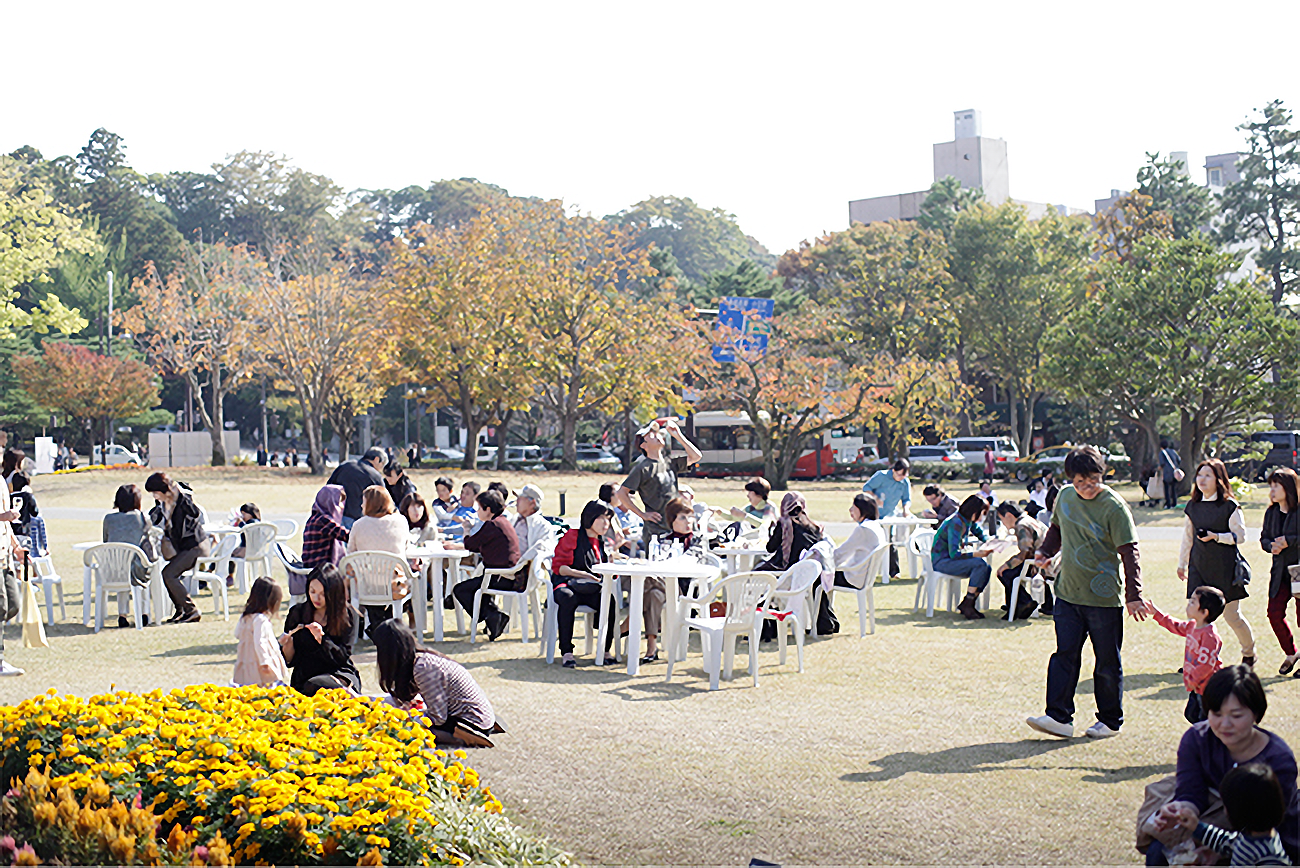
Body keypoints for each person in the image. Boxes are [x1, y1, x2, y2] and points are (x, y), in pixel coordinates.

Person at [1027, 445, 1146, 740]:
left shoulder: (1114, 507)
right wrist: (1044, 551)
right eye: (1079, 482)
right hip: (1068, 592)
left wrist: (1134, 595)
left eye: (1092, 480)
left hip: (1103, 597)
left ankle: (1109, 721)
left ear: (1101, 475)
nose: (1086, 487)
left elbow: (1130, 553)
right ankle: (1058, 717)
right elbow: (1056, 529)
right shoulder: (1065, 496)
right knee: (1064, 656)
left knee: (1106, 660)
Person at [1147, 666, 1300, 865]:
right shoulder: (1197, 739)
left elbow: (1272, 822)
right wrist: (1181, 811)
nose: (1224, 724)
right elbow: (1191, 792)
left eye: (1236, 716)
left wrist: (1222, 852)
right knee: (1159, 852)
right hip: (1221, 833)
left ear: (1256, 713)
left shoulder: (1277, 759)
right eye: (1216, 713)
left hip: (1270, 842)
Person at [373, 619, 501, 746]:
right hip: (478, 716)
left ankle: (464, 737)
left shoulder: (423, 667)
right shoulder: (422, 658)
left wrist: (404, 718)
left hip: (470, 722)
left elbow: (437, 717)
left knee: (401, 730)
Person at [1179, 458, 1254, 667]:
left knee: (1233, 616)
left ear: (1218, 479)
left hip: (1225, 567)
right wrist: (1181, 563)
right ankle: (1194, 659)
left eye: (1207, 475)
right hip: (1199, 566)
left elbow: (1241, 537)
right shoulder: (1193, 506)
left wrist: (1216, 536)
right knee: (1196, 617)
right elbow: (1187, 537)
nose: (1202, 480)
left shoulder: (1229, 506)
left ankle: (1249, 653)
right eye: (1199, 475)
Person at [1167, 763, 1292, 866]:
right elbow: (1226, 843)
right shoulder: (1250, 837)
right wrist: (1196, 826)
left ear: (1239, 812)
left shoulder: (1270, 859)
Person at [613, 417, 703, 547]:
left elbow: (696, 456)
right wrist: (642, 515)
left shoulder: (669, 462)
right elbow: (621, 493)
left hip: (677, 527)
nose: (657, 435)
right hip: (657, 530)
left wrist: (678, 435)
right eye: (651, 435)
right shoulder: (642, 468)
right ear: (643, 445)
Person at [551, 500, 620, 668]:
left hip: (592, 587)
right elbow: (559, 567)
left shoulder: (604, 543)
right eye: (602, 518)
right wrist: (582, 574)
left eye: (608, 519)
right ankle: (567, 651)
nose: (606, 523)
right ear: (590, 518)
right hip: (568, 582)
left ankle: (604, 650)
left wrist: (613, 562)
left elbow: (612, 576)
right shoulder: (573, 535)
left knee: (609, 601)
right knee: (566, 598)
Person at [1147, 586, 1226, 724]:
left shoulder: (1210, 636)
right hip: (1196, 686)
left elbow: (1206, 665)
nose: (1188, 604)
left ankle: (1212, 742)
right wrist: (1156, 614)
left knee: (1206, 720)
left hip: (1207, 688)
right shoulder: (1192, 626)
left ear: (1204, 612)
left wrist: (1192, 679)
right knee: (1191, 714)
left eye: (1193, 602)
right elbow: (1175, 625)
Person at [449, 490, 520, 641]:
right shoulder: (502, 522)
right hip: (508, 574)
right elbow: (476, 546)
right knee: (477, 591)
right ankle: (494, 617)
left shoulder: (492, 525)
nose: (477, 511)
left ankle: (493, 616)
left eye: (479, 508)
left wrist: (466, 529)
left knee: (460, 590)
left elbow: (470, 544)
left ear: (488, 509)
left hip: (500, 576)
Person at [279, 564, 360, 696]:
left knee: (320, 685)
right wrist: (287, 645)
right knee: (313, 685)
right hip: (306, 675)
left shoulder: (348, 615)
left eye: (323, 594)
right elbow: (291, 661)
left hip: (337, 672)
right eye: (312, 592)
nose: (316, 598)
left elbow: (342, 656)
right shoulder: (298, 613)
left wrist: (322, 638)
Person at [346, 486, 414, 636]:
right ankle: (384, 627)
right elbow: (406, 547)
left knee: (370, 585)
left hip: (367, 585)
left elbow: (351, 553)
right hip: (395, 585)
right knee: (414, 580)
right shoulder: (400, 522)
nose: (361, 505)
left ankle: (377, 626)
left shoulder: (358, 525)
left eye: (364, 502)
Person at [144, 472, 206, 624]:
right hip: (184, 549)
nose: (154, 496)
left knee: (169, 574)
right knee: (168, 573)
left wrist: (178, 493)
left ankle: (191, 610)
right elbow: (153, 519)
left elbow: (195, 512)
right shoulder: (164, 505)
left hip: (195, 547)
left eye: (155, 493)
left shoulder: (181, 501)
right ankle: (181, 611)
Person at [820, 494, 887, 633]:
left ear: (862, 510)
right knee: (825, 578)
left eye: (853, 507)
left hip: (855, 577)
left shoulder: (863, 529)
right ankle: (825, 621)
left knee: (817, 580)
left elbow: (841, 554)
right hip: (865, 576)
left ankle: (822, 624)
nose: (850, 510)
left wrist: (823, 561)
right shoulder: (876, 526)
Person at [931, 495, 997, 620]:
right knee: (979, 564)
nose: (982, 518)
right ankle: (968, 603)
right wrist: (978, 553)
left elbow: (979, 532)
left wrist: (991, 542)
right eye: (981, 514)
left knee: (986, 568)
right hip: (943, 561)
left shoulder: (966, 520)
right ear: (973, 512)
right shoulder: (956, 522)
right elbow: (954, 554)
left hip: (950, 560)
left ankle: (969, 603)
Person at [1262, 468, 1300, 678]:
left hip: (1299, 570)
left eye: (1276, 486)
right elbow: (1264, 539)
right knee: (1274, 614)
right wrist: (1271, 546)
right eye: (1271, 486)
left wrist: (1289, 541)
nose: (1272, 490)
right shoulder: (1271, 512)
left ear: (1289, 487)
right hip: (1280, 572)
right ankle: (1291, 653)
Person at [102, 484, 156, 628]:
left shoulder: (108, 519)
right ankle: (144, 613)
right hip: (138, 568)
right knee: (143, 574)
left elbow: (106, 541)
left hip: (115, 570)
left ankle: (122, 614)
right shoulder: (143, 517)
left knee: (123, 571)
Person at [994, 501, 1048, 620]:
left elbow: (1026, 552)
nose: (1002, 523)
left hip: (1037, 565)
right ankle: (1015, 605)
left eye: (1001, 519)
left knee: (1005, 574)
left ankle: (1024, 603)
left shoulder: (1022, 525)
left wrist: (1007, 565)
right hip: (1045, 561)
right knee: (1011, 573)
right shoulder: (1030, 520)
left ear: (1009, 515)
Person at [232, 578, 290, 687]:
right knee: (267, 685)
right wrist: (265, 662)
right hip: (259, 661)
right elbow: (260, 641)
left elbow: (237, 634)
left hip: (246, 658)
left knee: (248, 686)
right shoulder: (260, 619)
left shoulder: (245, 617)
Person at [862, 459, 911, 580]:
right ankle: (865, 570)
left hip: (890, 516)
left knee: (890, 541)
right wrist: (875, 498)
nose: (901, 478)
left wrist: (906, 509)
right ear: (893, 470)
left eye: (904, 475)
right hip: (874, 515)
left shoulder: (905, 482)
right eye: (899, 475)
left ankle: (894, 571)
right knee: (871, 542)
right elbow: (866, 488)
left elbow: (906, 499)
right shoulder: (881, 476)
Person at [326, 447, 386, 528]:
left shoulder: (344, 466)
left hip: (336, 515)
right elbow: (383, 501)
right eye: (382, 464)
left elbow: (328, 488)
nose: (381, 469)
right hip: (358, 519)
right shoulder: (375, 476)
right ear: (377, 459)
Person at [0, 488, 24, 676]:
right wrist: (3, 515)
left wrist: (16, 547)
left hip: (5, 555)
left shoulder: (0, 480)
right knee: (1, 607)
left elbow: (6, 524)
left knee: (13, 605)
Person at [302, 484, 350, 574]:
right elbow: (346, 536)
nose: (342, 507)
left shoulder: (315, 517)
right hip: (318, 569)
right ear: (329, 502)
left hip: (314, 566)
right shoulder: (323, 521)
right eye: (338, 502)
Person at [512, 484, 552, 583]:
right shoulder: (513, 519)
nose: (516, 501)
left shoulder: (543, 526)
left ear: (532, 503)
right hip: (503, 568)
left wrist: (520, 563)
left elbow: (544, 551)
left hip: (524, 573)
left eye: (520, 498)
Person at [225, 502, 261, 589]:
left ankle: (228, 575)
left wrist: (240, 523)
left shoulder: (251, 522)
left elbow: (246, 530)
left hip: (247, 550)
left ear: (251, 514)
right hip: (258, 551)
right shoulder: (259, 523)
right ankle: (229, 575)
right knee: (230, 552)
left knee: (226, 552)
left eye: (244, 514)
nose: (242, 516)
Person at [7, 473, 38, 538]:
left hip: (10, 533)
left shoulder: (8, 497)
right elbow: (35, 512)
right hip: (24, 531)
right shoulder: (28, 496)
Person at [1160, 441, 1185, 510]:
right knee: (1174, 489)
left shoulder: (1162, 453)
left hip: (1167, 473)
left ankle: (1168, 504)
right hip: (1175, 473)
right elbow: (1179, 460)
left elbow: (1162, 463)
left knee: (1167, 489)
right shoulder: (1173, 451)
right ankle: (1174, 503)